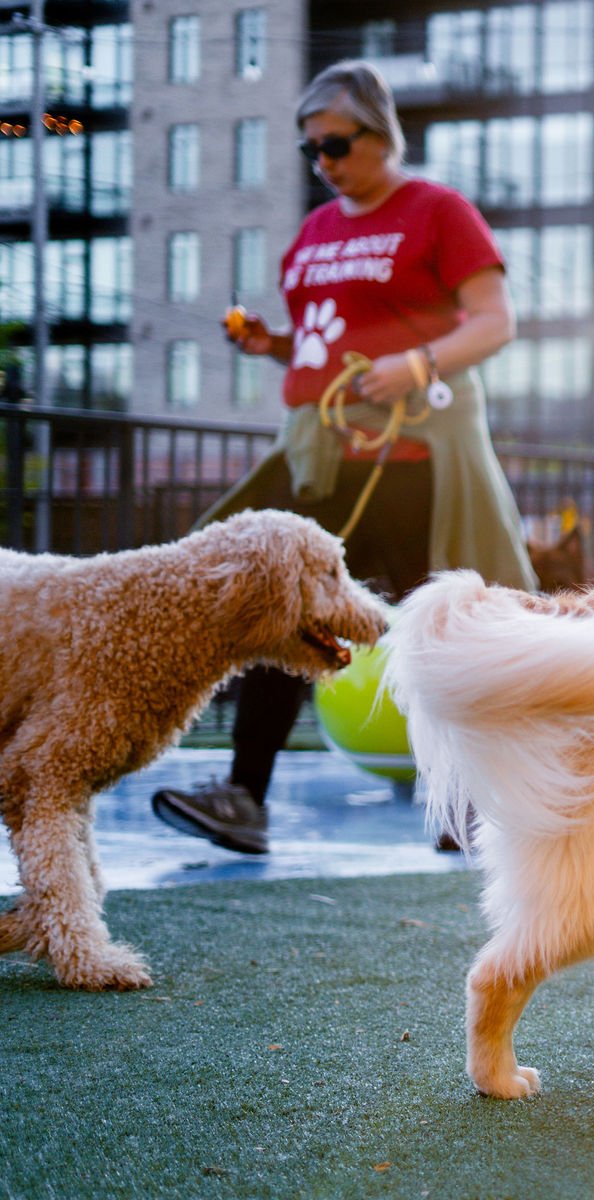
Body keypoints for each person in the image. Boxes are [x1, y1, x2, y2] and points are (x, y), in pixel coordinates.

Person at [152, 60, 535, 856]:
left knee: (442, 623)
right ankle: (242, 795)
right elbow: (336, 335)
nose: (323, 163)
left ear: (380, 133)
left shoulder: (439, 211)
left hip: (411, 453)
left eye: (335, 143)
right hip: (320, 455)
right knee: (278, 607)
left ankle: (473, 799)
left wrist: (421, 363)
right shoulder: (317, 230)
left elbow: (494, 321)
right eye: (309, 150)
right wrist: (276, 345)